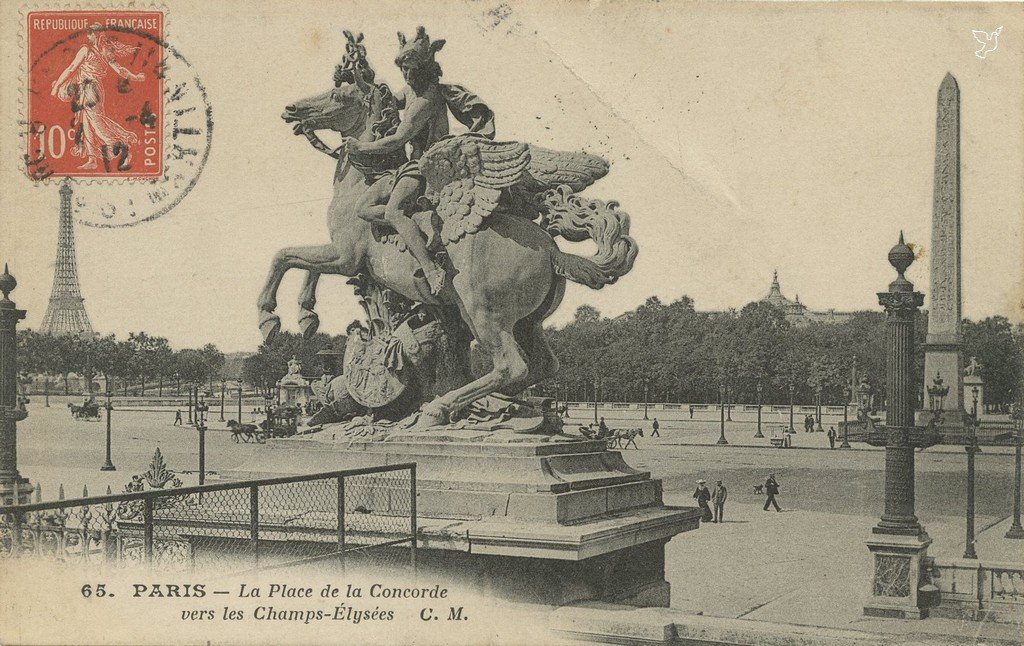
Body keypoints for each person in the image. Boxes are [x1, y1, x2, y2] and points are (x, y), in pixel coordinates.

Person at [346, 26, 495, 296]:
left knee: (392, 212)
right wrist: (362, 75)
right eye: (403, 68)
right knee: (363, 207)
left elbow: (398, 139)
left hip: (426, 166)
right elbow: (386, 99)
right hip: (406, 168)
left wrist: (362, 146)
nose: (407, 74)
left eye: (412, 68)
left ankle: (430, 268)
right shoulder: (412, 91)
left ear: (426, 67)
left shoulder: (427, 99)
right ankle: (420, 222)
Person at [50, 24, 146, 170]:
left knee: (96, 123)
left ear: (94, 35)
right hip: (91, 89)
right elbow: (121, 71)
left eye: (89, 34)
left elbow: (71, 68)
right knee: (87, 123)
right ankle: (92, 159)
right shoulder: (105, 51)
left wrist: (57, 86)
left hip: (90, 89)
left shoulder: (86, 50)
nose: (88, 37)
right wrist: (136, 77)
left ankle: (123, 147)